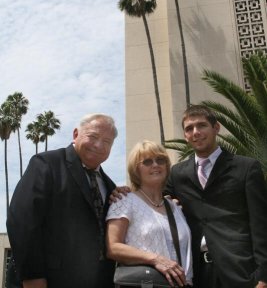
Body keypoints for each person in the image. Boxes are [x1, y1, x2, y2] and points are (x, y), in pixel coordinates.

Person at [7, 113, 119, 288]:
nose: (99, 145)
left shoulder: (111, 187)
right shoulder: (46, 164)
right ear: (76, 134)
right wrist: (33, 277)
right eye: (93, 136)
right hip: (48, 281)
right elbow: (22, 222)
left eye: (107, 142)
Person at [165, 104, 267, 288]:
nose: (195, 132)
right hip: (197, 275)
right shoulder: (177, 174)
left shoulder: (246, 168)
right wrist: (123, 193)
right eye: (189, 128)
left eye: (201, 125)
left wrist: (263, 276)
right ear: (185, 136)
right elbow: (152, 198)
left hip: (242, 272)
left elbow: (261, 224)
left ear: (216, 128)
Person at [106, 140, 193, 288]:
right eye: (147, 161)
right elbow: (112, 247)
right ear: (136, 169)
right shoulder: (123, 201)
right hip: (145, 284)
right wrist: (156, 260)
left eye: (160, 160)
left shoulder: (175, 207)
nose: (155, 164)